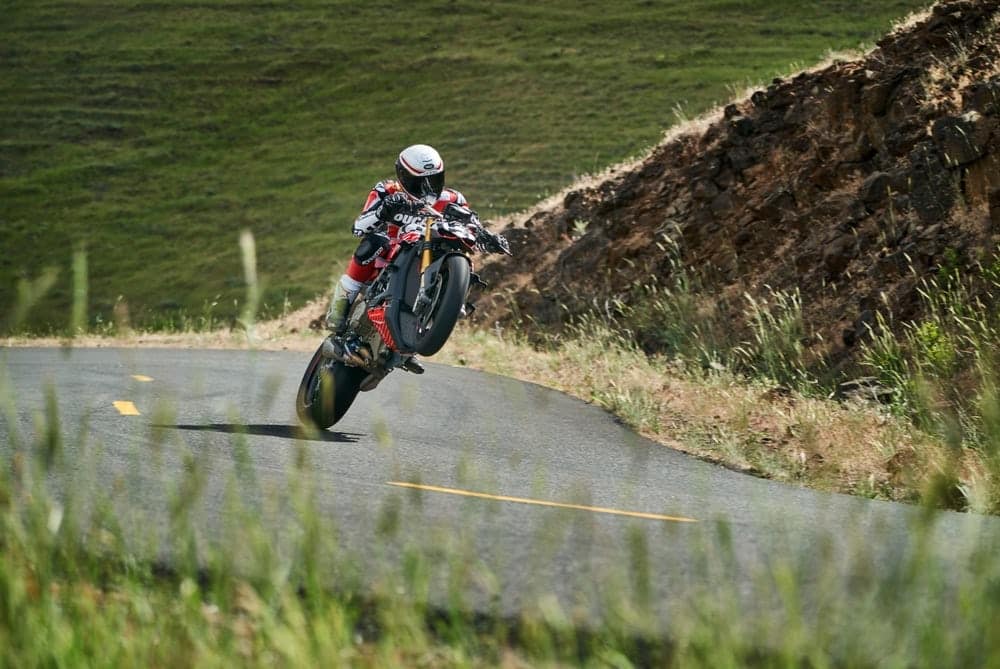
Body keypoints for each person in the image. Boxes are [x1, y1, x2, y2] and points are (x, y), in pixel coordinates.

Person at [324, 144, 477, 373]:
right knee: (372, 243)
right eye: (419, 182)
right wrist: (381, 212)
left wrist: (486, 235)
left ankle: (433, 319)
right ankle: (341, 306)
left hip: (430, 254)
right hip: (389, 255)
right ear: (403, 176)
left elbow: (472, 226)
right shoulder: (386, 191)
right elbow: (358, 228)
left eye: (433, 180)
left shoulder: (454, 199)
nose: (427, 189)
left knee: (464, 259)